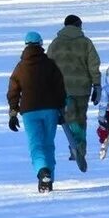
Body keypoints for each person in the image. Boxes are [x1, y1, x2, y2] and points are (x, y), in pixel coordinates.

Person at [7, 32, 69, 192]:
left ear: (26, 45)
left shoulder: (20, 67)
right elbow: (60, 88)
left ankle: (43, 172)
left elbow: (13, 91)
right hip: (51, 110)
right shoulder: (50, 64)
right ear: (41, 45)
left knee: (36, 144)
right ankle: (49, 179)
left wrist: (13, 112)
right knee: (48, 144)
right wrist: (62, 108)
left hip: (29, 111)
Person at [46, 15, 102, 172]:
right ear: (78, 25)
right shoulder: (86, 43)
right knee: (80, 118)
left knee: (69, 118)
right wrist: (96, 84)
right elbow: (93, 65)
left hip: (62, 89)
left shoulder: (55, 44)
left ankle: (74, 145)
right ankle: (79, 148)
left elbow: (49, 66)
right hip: (82, 88)